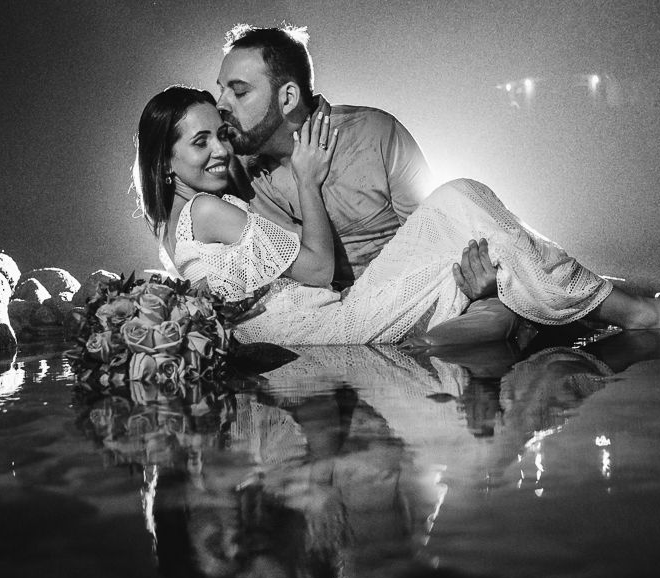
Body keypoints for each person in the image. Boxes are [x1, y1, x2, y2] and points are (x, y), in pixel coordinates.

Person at [134, 86, 660, 346]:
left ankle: (608, 305)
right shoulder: (210, 209)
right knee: (467, 205)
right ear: (165, 161)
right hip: (334, 330)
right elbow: (313, 270)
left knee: (475, 224)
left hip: (332, 320)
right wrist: (309, 179)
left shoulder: (184, 218)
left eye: (220, 132)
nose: (219, 149)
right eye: (200, 142)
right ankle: (634, 314)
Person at [216, 24, 522, 341]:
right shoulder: (235, 173)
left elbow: (437, 239)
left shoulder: (373, 133)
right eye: (221, 90)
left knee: (460, 195)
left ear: (288, 97)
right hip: (330, 319)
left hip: (416, 295)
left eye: (239, 92)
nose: (222, 104)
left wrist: (480, 278)